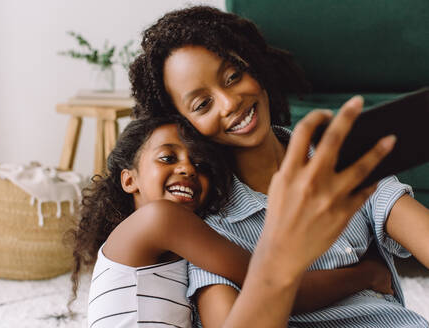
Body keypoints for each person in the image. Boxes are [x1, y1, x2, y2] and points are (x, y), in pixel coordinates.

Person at [129, 5, 429, 327]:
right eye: (203, 104)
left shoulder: (337, 158)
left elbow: (413, 224)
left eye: (233, 76)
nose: (230, 103)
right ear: (183, 125)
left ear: (254, 66)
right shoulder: (211, 226)